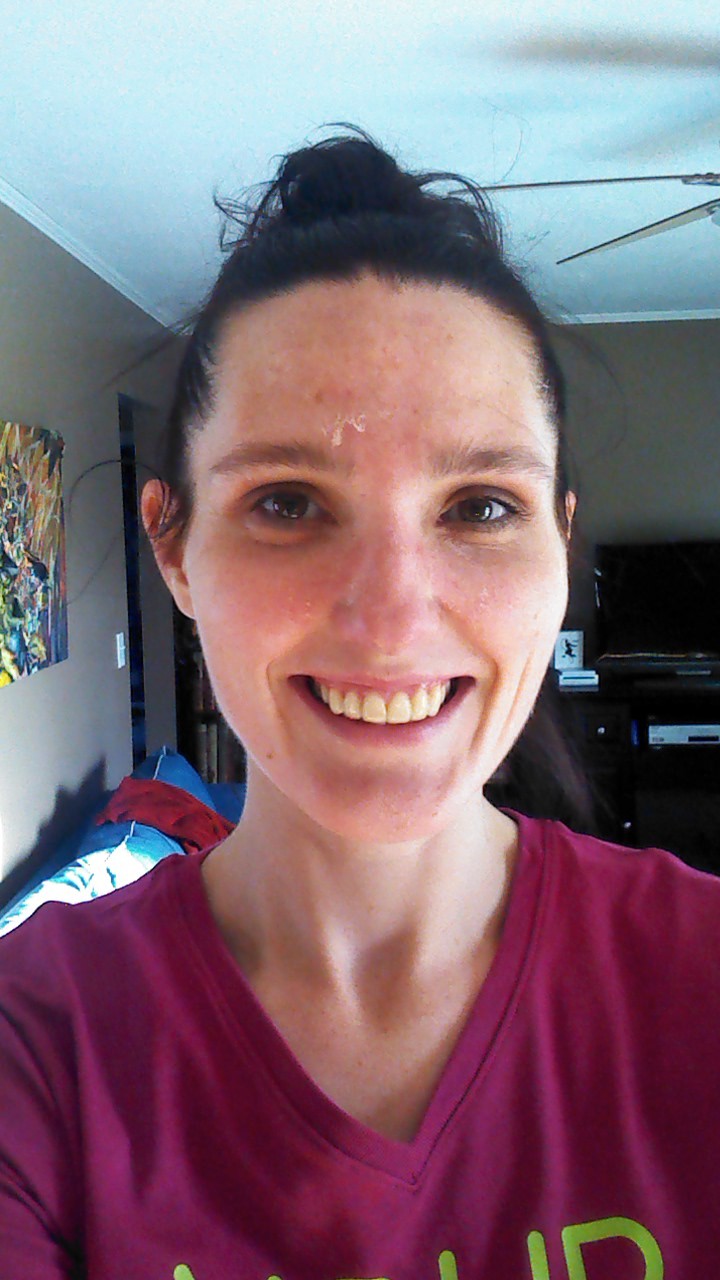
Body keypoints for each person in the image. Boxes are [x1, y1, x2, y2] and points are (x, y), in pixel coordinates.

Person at [1, 128, 719, 1280]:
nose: (390, 619)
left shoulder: (701, 982)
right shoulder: (36, 1037)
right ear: (173, 546)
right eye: (288, 501)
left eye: (480, 505)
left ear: (559, 538)